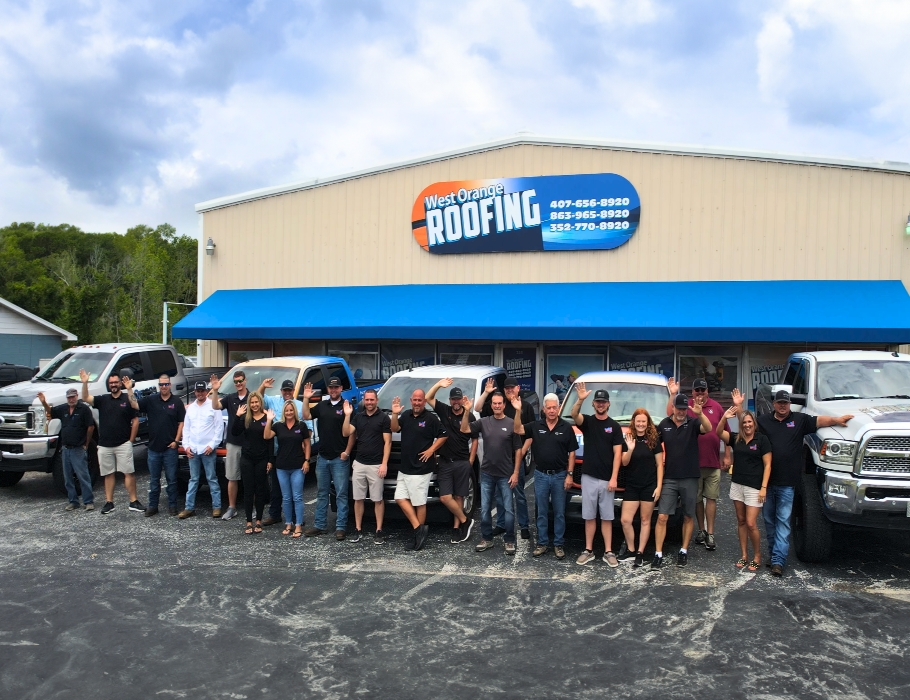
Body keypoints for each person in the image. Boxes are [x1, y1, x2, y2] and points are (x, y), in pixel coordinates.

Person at [754, 389, 852, 576]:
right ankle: (774, 553)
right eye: (779, 403)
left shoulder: (799, 420)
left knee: (783, 521)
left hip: (788, 483)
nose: (783, 406)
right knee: (769, 520)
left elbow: (820, 421)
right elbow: (747, 428)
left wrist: (837, 420)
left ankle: (778, 561)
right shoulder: (764, 421)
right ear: (774, 404)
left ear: (789, 404)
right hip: (766, 483)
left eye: (786, 403)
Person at [666, 377, 730, 552]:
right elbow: (670, 414)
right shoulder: (687, 405)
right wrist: (673, 394)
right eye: (697, 390)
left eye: (703, 390)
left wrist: (727, 455)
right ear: (693, 392)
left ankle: (710, 533)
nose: (700, 393)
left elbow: (726, 433)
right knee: (697, 500)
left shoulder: (716, 407)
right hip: (693, 465)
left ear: (707, 391)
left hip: (713, 462)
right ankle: (701, 530)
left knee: (712, 498)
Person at [513, 393, 578, 560]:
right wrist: (518, 411)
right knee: (541, 511)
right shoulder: (536, 426)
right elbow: (517, 429)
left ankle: (558, 544)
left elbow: (572, 453)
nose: (551, 410)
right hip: (541, 475)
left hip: (559, 476)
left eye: (554, 407)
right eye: (548, 407)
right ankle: (542, 543)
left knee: (559, 512)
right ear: (543, 409)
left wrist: (570, 475)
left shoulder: (566, 427)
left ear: (559, 408)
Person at [652, 393, 712, 570]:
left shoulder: (693, 423)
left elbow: (708, 428)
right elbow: (653, 445)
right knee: (662, 516)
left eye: (684, 409)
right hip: (669, 477)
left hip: (690, 477)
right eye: (679, 408)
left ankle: (683, 551)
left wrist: (700, 413)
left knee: (687, 515)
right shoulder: (664, 424)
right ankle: (658, 554)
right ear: (673, 408)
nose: (681, 412)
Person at [570, 384, 626, 567]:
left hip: (607, 479)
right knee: (589, 516)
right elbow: (574, 415)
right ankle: (588, 550)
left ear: (608, 404)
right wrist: (580, 398)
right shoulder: (587, 422)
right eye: (598, 402)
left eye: (603, 402)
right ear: (593, 404)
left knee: (607, 517)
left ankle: (609, 551)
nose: (600, 405)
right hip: (588, 477)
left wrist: (614, 477)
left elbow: (618, 454)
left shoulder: (615, 427)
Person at [475, 377, 534, 539]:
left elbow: (530, 434)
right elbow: (478, 407)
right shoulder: (498, 405)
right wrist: (486, 392)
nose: (509, 390)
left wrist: (522, 453)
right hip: (499, 462)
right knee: (500, 496)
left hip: (516, 460)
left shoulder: (526, 406)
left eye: (512, 388)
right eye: (506, 388)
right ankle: (501, 524)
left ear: (518, 388)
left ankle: (523, 526)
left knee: (520, 495)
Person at [716, 395, 771, 571]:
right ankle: (744, 555)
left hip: (755, 487)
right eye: (744, 422)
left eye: (749, 422)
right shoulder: (736, 438)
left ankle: (757, 555)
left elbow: (768, 465)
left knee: (751, 523)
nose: (747, 425)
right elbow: (718, 433)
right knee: (740, 521)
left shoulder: (762, 440)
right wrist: (724, 417)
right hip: (737, 484)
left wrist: (763, 488)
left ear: (754, 423)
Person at [463, 391, 521, 555]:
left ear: (504, 405)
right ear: (491, 405)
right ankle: (487, 539)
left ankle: (509, 540)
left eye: (499, 403)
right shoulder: (484, 422)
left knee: (509, 509)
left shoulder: (511, 423)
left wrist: (516, 472)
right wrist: (467, 410)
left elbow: (518, 450)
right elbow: (465, 429)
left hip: (506, 474)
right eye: (494, 403)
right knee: (485, 509)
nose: (497, 406)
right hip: (487, 473)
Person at [390, 389, 448, 551]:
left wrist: (431, 450)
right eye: (414, 400)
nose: (417, 403)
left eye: (420, 400)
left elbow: (444, 435)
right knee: (400, 498)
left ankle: (418, 536)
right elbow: (394, 429)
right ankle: (419, 529)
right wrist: (394, 414)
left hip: (421, 468)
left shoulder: (430, 418)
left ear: (424, 401)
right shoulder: (406, 415)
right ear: (411, 400)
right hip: (405, 467)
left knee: (419, 502)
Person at [80, 368, 142, 515]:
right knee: (108, 474)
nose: (113, 384)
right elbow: (85, 398)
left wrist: (131, 440)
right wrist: (85, 383)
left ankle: (133, 501)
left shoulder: (127, 398)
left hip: (123, 443)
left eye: (116, 382)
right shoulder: (102, 400)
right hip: (104, 444)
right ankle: (109, 502)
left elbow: (136, 408)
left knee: (129, 473)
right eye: (111, 383)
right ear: (109, 385)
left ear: (120, 383)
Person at [303, 378, 355, 540]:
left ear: (341, 388)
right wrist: (306, 398)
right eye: (331, 387)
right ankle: (320, 525)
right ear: (328, 389)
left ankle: (341, 527)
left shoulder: (346, 406)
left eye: (336, 387)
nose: (333, 390)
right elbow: (306, 415)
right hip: (323, 457)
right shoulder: (322, 405)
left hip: (340, 457)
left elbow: (353, 433)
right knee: (322, 492)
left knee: (341, 494)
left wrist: (347, 451)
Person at [426, 379, 477, 544]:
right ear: (450, 400)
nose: (456, 402)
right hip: (446, 461)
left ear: (463, 399)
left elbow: (474, 439)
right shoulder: (444, 410)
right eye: (453, 399)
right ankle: (465, 520)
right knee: (445, 497)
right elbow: (428, 398)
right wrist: (439, 385)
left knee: (459, 495)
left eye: (458, 399)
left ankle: (456, 528)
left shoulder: (470, 415)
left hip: (462, 461)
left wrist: (470, 460)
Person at [129, 373, 185, 517]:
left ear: (170, 385)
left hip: (170, 448)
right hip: (153, 448)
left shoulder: (177, 402)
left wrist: (176, 441)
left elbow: (181, 423)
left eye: (166, 384)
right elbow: (134, 404)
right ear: (158, 386)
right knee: (154, 481)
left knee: (172, 480)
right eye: (161, 384)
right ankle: (153, 506)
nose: (164, 387)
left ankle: (172, 505)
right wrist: (129, 389)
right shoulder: (151, 400)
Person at [342, 388, 392, 544]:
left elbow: (388, 443)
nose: (369, 402)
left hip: (376, 465)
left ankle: (378, 530)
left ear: (377, 400)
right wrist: (347, 415)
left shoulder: (384, 418)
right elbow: (345, 433)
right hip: (360, 463)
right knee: (358, 499)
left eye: (372, 400)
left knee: (377, 499)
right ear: (364, 400)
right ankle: (358, 529)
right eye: (367, 400)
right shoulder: (358, 417)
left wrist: (384, 464)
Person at [618, 408, 664, 567]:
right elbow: (624, 462)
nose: (641, 424)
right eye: (638, 421)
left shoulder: (654, 440)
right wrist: (630, 449)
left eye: (644, 421)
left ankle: (640, 552)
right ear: (634, 422)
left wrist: (658, 487)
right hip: (632, 485)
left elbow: (659, 465)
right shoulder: (628, 438)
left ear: (648, 422)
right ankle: (631, 549)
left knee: (645, 520)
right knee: (625, 520)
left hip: (649, 485)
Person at [38, 388, 95, 511]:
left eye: (73, 397)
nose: (71, 399)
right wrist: (43, 402)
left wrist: (86, 443)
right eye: (69, 397)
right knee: (67, 477)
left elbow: (90, 426)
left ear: (77, 396)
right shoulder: (63, 408)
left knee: (83, 476)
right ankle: (73, 501)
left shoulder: (84, 409)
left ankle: (88, 501)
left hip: (78, 448)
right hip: (65, 449)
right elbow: (51, 412)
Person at [258, 377, 305, 527]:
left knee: (296, 492)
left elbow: (307, 427)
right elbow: (259, 399)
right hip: (277, 451)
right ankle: (275, 515)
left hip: (295, 452)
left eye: (290, 390)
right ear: (281, 391)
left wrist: (305, 449)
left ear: (293, 391)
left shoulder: (298, 404)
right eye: (285, 390)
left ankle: (297, 519)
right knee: (277, 488)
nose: (287, 392)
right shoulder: (274, 401)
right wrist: (263, 387)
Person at [179, 380, 224, 519]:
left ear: (207, 391)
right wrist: (186, 446)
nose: (200, 393)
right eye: (198, 391)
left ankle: (216, 507)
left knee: (212, 478)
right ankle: (189, 507)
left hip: (207, 450)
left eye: (202, 391)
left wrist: (213, 445)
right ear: (195, 392)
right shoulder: (190, 408)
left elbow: (219, 427)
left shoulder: (213, 406)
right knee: (193, 479)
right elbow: (186, 429)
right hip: (193, 450)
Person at [267, 401, 311, 538]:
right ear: (283, 412)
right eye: (287, 410)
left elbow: (307, 444)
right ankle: (288, 523)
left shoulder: (301, 425)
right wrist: (269, 420)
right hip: (281, 466)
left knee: (297, 497)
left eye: (291, 410)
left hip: (298, 465)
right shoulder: (278, 426)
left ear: (294, 411)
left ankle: (298, 525)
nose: (289, 412)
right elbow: (266, 435)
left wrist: (307, 461)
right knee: (286, 497)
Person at [232, 391, 274, 534]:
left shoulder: (267, 417)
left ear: (260, 402)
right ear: (249, 404)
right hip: (247, 459)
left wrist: (270, 460)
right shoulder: (246, 418)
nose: (254, 405)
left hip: (262, 458)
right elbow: (234, 432)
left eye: (257, 402)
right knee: (248, 490)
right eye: (252, 402)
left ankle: (258, 521)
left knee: (260, 490)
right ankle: (249, 521)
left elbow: (270, 441)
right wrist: (237, 416)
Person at [211, 369, 250, 520]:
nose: (238, 384)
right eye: (236, 382)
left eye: (240, 381)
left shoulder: (251, 397)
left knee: (249, 477)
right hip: (233, 443)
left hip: (249, 443)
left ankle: (252, 507)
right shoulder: (230, 398)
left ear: (245, 381)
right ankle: (232, 507)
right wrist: (215, 391)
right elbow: (215, 407)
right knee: (232, 477)